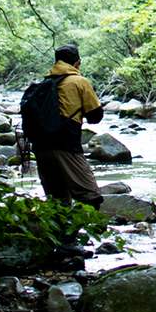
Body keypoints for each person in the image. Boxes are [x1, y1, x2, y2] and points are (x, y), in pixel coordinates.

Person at [33, 43, 104, 211]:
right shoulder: (80, 82)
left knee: (58, 202)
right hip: (66, 145)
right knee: (90, 198)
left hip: (41, 147)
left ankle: (59, 236)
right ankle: (69, 237)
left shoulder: (45, 83)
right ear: (77, 63)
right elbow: (95, 117)